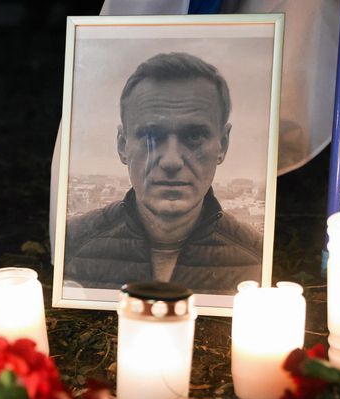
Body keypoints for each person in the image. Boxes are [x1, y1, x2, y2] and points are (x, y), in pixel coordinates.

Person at [63, 52, 262, 294]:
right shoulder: (70, 244)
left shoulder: (259, 257)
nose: (171, 161)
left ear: (223, 145)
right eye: (151, 136)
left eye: (194, 136)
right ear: (122, 145)